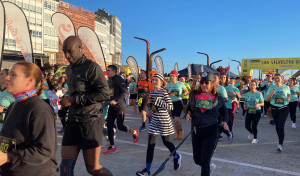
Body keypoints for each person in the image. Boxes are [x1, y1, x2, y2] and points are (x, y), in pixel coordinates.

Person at [59, 36, 112, 176]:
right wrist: (65, 103)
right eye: (64, 52)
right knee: (65, 168)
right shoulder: (69, 69)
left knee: (93, 169)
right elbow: (74, 93)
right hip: (73, 120)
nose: (67, 56)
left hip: (91, 120)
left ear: (80, 49)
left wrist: (74, 100)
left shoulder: (92, 67)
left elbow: (104, 94)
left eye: (70, 51)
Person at [0, 61, 57, 175]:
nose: (7, 78)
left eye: (13, 75)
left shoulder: (39, 109)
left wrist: (8, 157)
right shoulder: (14, 105)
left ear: (29, 81)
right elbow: (10, 139)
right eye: (8, 74)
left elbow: (44, 151)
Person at [136, 73, 182, 176]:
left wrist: (158, 101)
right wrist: (148, 106)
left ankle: (176, 156)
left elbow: (170, 107)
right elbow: (152, 107)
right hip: (154, 121)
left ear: (161, 82)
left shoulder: (164, 93)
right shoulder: (151, 93)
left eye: (157, 80)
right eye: (153, 80)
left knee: (166, 142)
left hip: (164, 121)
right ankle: (147, 170)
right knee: (150, 145)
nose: (154, 82)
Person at [186, 72, 229, 176]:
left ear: (211, 84)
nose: (204, 85)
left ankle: (206, 168)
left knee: (205, 162)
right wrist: (188, 113)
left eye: (206, 83)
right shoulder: (194, 95)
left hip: (211, 132)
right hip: (196, 131)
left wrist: (224, 121)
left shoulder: (218, 98)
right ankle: (208, 167)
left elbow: (225, 112)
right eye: (202, 83)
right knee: (197, 160)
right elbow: (189, 108)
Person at [103, 65, 139, 155]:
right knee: (109, 124)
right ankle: (112, 146)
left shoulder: (118, 78)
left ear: (114, 71)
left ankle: (134, 131)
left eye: (109, 70)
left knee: (120, 126)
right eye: (107, 70)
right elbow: (110, 94)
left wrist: (116, 100)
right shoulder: (109, 81)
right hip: (112, 106)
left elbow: (125, 92)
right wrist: (105, 101)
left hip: (120, 106)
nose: (107, 72)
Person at [266, 74, 291, 152]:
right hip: (274, 109)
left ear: (281, 79)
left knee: (280, 125)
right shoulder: (271, 87)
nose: (277, 79)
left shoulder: (286, 87)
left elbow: (289, 94)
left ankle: (280, 144)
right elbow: (267, 99)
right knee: (277, 126)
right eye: (275, 78)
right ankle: (280, 139)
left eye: (278, 78)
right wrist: (271, 94)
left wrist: (289, 97)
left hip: (284, 108)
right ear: (274, 79)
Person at [166, 70, 188, 140]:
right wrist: (169, 94)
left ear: (176, 76)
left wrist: (183, 94)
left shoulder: (180, 84)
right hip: (171, 103)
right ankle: (177, 133)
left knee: (177, 118)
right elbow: (166, 93)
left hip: (178, 102)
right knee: (174, 120)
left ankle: (181, 132)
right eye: (170, 76)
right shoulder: (168, 84)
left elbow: (187, 91)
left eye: (172, 76)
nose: (171, 77)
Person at [220, 74, 234, 143]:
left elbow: (232, 95)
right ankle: (219, 134)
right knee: (219, 121)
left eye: (224, 77)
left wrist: (224, 92)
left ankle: (230, 132)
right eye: (222, 77)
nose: (223, 78)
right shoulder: (218, 86)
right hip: (219, 107)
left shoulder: (229, 86)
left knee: (227, 121)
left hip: (227, 106)